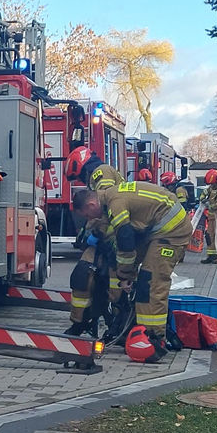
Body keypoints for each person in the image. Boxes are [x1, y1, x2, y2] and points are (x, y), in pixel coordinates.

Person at [72, 181, 191, 363]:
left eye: (88, 215)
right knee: (137, 274)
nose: (90, 219)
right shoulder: (108, 199)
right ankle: (141, 329)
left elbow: (126, 240)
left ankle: (153, 338)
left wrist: (125, 273)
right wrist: (126, 275)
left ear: (91, 204)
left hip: (172, 231)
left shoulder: (115, 204)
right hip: (155, 230)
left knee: (150, 281)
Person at [63, 146, 124, 335]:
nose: (80, 180)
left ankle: (119, 325)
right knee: (82, 275)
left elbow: (105, 208)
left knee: (116, 283)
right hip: (108, 238)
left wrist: (96, 234)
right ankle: (80, 322)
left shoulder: (101, 174)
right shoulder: (96, 177)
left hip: (116, 238)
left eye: (78, 176)